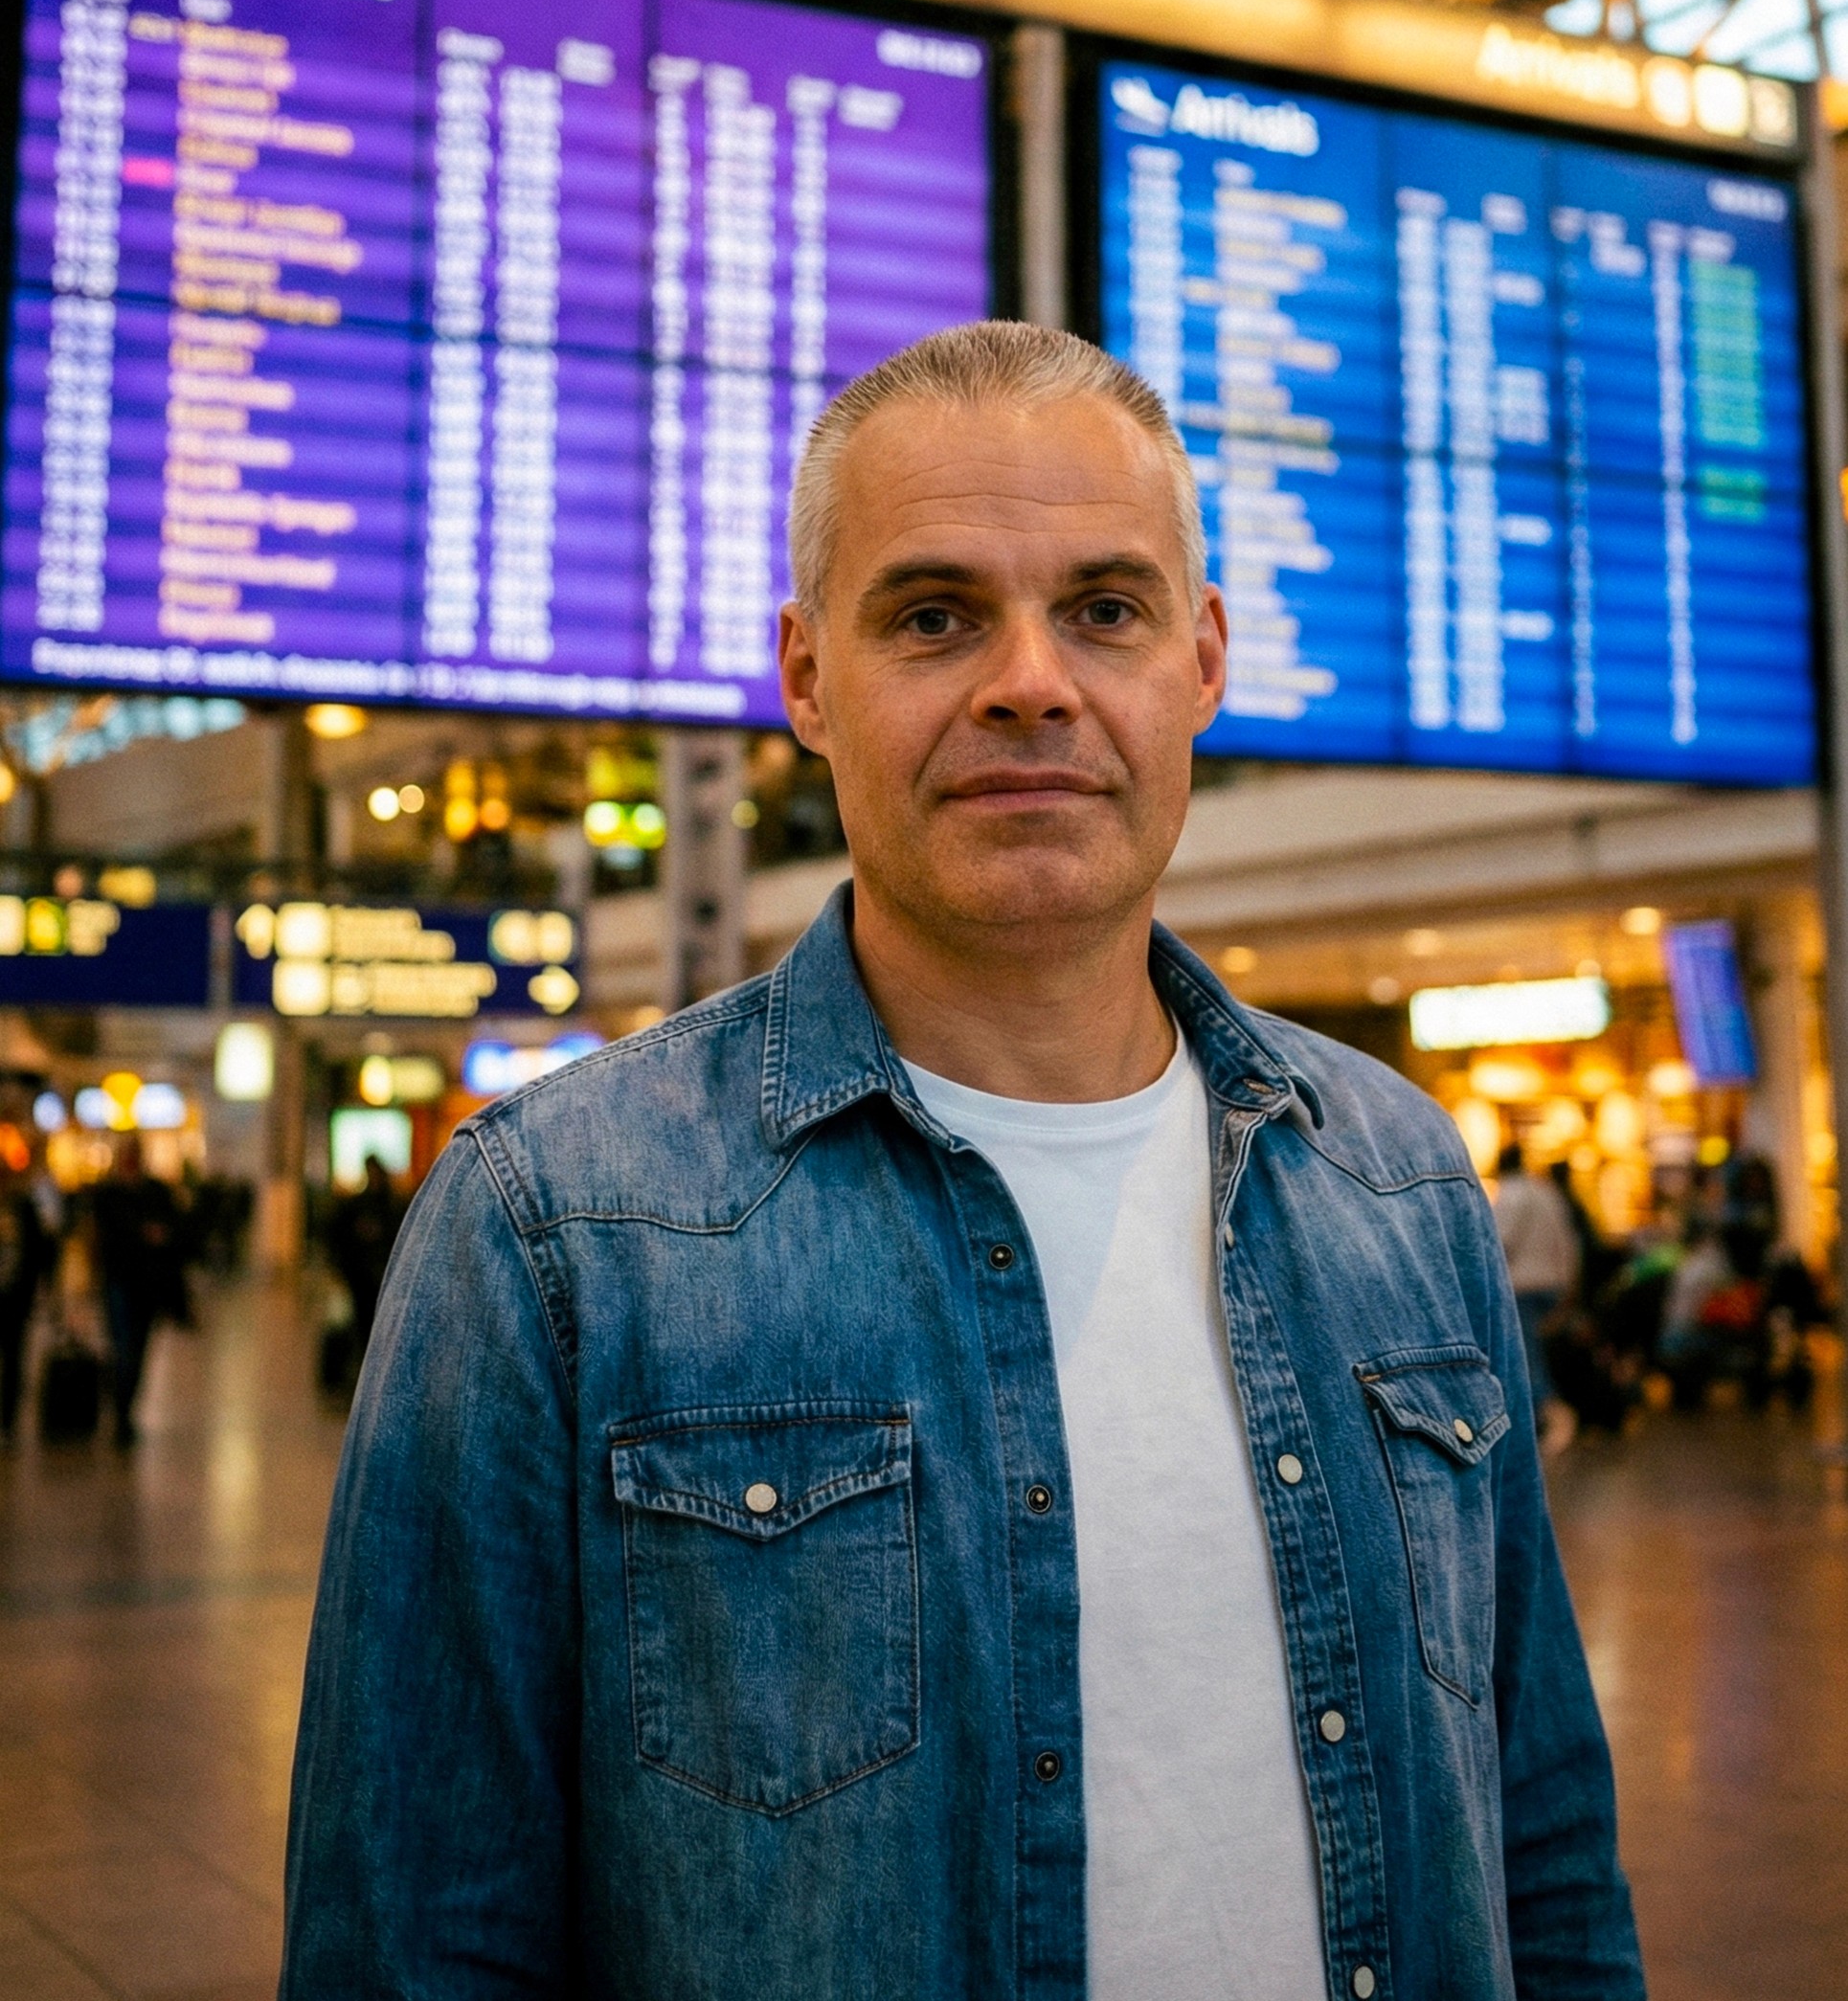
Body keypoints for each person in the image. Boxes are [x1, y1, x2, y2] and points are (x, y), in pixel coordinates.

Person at [282, 324, 1642, 2000]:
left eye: (1106, 610)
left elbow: (1547, 1849)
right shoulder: (554, 1232)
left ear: (1201, 660)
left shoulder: (1395, 1181)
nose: (1030, 680)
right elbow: (417, 1940)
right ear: (804, 678)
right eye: (934, 616)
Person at [90, 1134, 181, 1448]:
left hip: (147, 1285)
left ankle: (125, 1410)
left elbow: (174, 1230)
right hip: (119, 1282)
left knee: (138, 1349)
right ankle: (120, 1413)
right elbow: (107, 1237)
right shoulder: (107, 1193)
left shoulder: (155, 1191)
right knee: (123, 1348)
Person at [1492, 1142, 1581, 1447]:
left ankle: (1545, 1414)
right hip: (1552, 1285)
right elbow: (1569, 1243)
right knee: (1537, 1353)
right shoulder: (1547, 1193)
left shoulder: (1511, 1193)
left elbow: (1499, 1242)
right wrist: (1568, 1285)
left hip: (1523, 1286)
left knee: (1526, 1360)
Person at [325, 1155, 405, 1368]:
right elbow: (340, 1238)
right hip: (361, 1277)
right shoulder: (361, 1205)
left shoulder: (389, 1204)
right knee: (363, 1324)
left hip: (381, 1276)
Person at [0, 1152, 52, 1446]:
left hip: (15, 1297)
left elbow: (38, 1252)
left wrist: (40, 1288)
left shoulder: (24, 1208)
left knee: (14, 1358)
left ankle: (8, 1422)